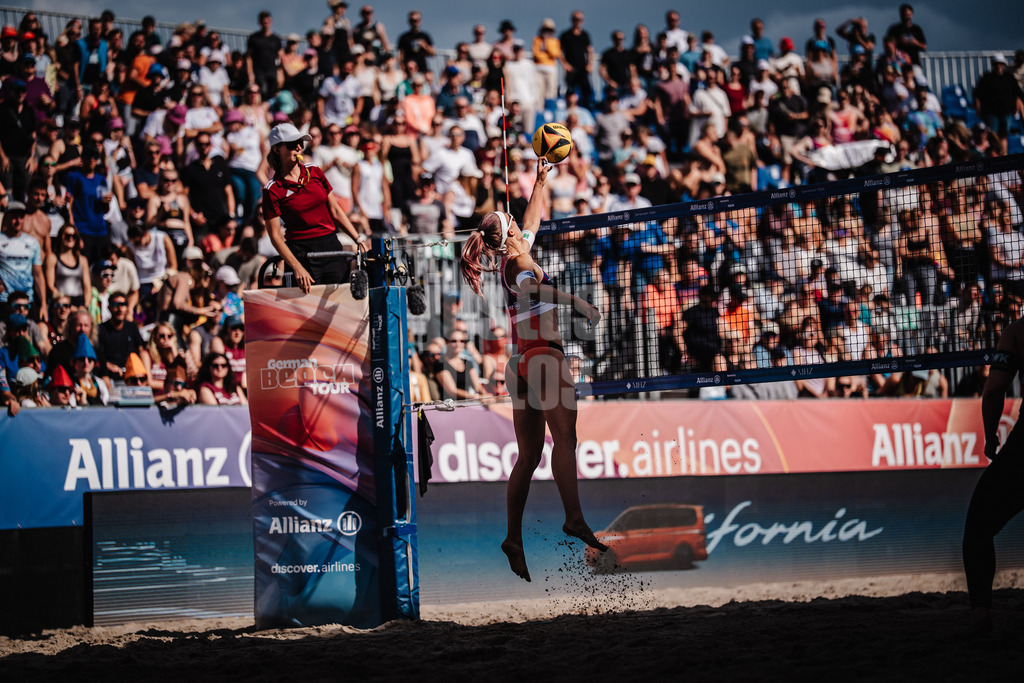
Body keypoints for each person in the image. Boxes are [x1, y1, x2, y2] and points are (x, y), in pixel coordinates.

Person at [459, 158, 607, 583]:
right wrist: (579, 304)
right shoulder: (521, 266)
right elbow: (537, 287)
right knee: (566, 440)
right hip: (544, 357)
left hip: (520, 362)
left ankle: (512, 537)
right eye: (511, 221)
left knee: (529, 456)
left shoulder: (514, 255)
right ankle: (574, 518)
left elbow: (532, 220)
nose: (520, 223)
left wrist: (541, 181)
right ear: (507, 236)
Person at [963, 316, 1024, 635]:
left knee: (978, 527)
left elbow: (994, 390)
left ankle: (981, 616)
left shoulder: (1017, 330)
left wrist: (990, 437)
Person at [262, 122, 363, 292]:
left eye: (301, 143)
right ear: (277, 149)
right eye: (292, 144)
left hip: (331, 245)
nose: (299, 147)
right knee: (306, 312)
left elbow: (336, 210)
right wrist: (296, 266)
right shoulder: (272, 189)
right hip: (302, 252)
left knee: (340, 304)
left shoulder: (315, 171)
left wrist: (358, 240)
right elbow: (275, 236)